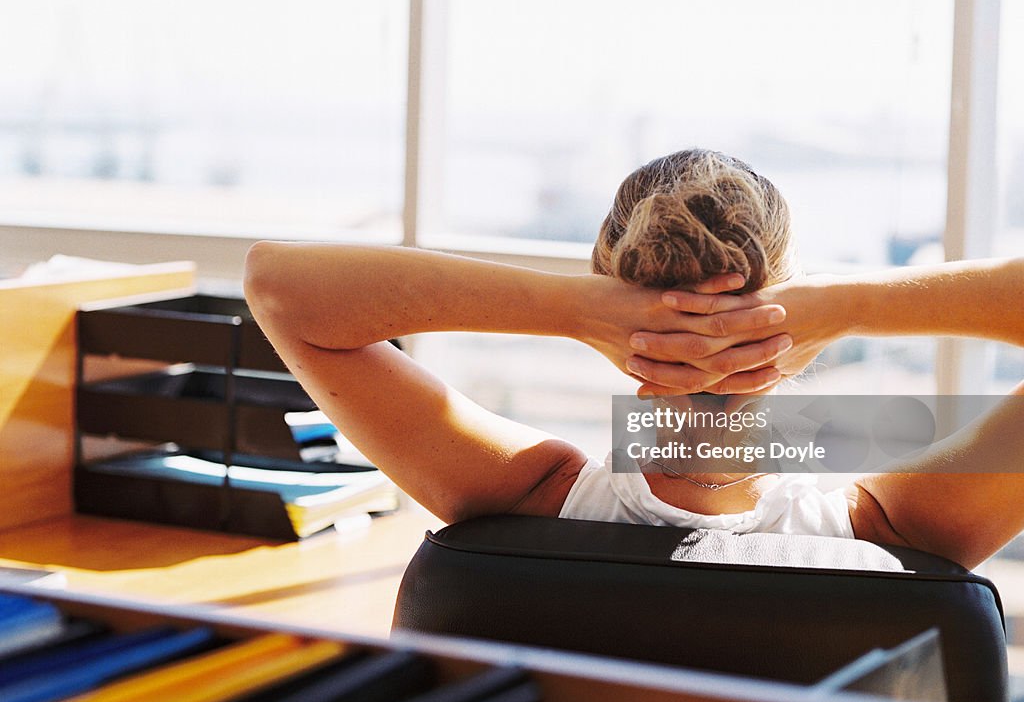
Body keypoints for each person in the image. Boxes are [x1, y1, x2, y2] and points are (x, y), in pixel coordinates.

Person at [243, 149, 1024, 569]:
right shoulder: (893, 535)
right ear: (799, 307)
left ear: (610, 289)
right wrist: (851, 306)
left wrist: (574, 311)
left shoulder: (533, 499)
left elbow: (278, 289)